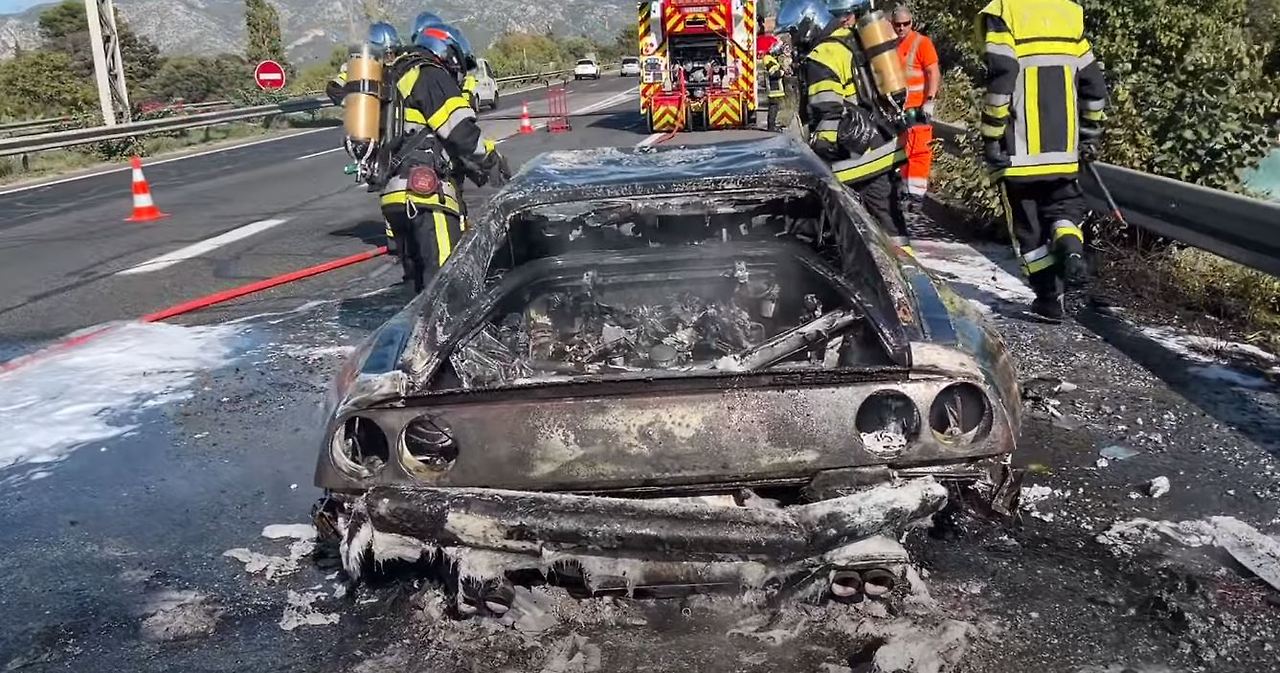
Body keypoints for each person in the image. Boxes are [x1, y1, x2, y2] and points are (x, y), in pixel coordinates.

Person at [976, 0, 1107, 321]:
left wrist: (991, 135)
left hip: (1018, 153)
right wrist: (1089, 134)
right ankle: (1071, 251)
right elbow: (1094, 85)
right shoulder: (1069, 13)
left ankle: (1049, 299)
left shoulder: (1005, 11)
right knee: (1064, 212)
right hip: (1063, 153)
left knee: (1029, 229)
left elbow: (1003, 75)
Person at [378, 24, 508, 292]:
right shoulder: (430, 74)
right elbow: (461, 134)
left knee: (418, 285)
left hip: (394, 198)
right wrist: (491, 159)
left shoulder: (394, 76)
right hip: (426, 196)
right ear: (446, 51)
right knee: (445, 283)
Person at [776, 0, 912, 254]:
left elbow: (828, 115)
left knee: (815, 221)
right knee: (892, 229)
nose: (792, 40)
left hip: (857, 160)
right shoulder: (850, 39)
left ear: (807, 25)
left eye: (793, 32)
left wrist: (813, 157)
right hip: (884, 146)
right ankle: (907, 271)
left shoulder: (821, 56)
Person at [891, 4, 940, 223]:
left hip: (919, 110)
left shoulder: (922, 43)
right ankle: (906, 194)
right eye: (898, 24)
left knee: (919, 153)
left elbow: (933, 71)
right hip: (899, 111)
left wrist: (929, 101)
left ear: (912, 23)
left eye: (906, 24)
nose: (902, 28)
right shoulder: (892, 46)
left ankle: (916, 198)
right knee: (903, 153)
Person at [327, 21, 402, 105]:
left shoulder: (405, 67)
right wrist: (353, 103)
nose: (390, 57)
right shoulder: (363, 68)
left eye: (392, 52)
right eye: (385, 54)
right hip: (372, 111)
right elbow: (333, 87)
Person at [762, 41, 787, 131]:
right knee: (773, 107)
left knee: (775, 107)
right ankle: (771, 126)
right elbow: (773, 73)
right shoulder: (768, 59)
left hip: (775, 88)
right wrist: (782, 72)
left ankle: (772, 125)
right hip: (773, 88)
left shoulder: (771, 59)